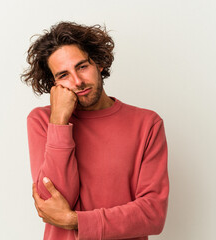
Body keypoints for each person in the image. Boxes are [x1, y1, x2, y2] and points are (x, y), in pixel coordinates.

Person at [21, 21, 169, 240]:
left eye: (82, 67)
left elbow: (152, 215)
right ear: (53, 84)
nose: (78, 81)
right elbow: (50, 202)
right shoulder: (43, 121)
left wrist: (75, 221)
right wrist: (59, 122)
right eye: (64, 75)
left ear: (98, 63)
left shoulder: (147, 124)